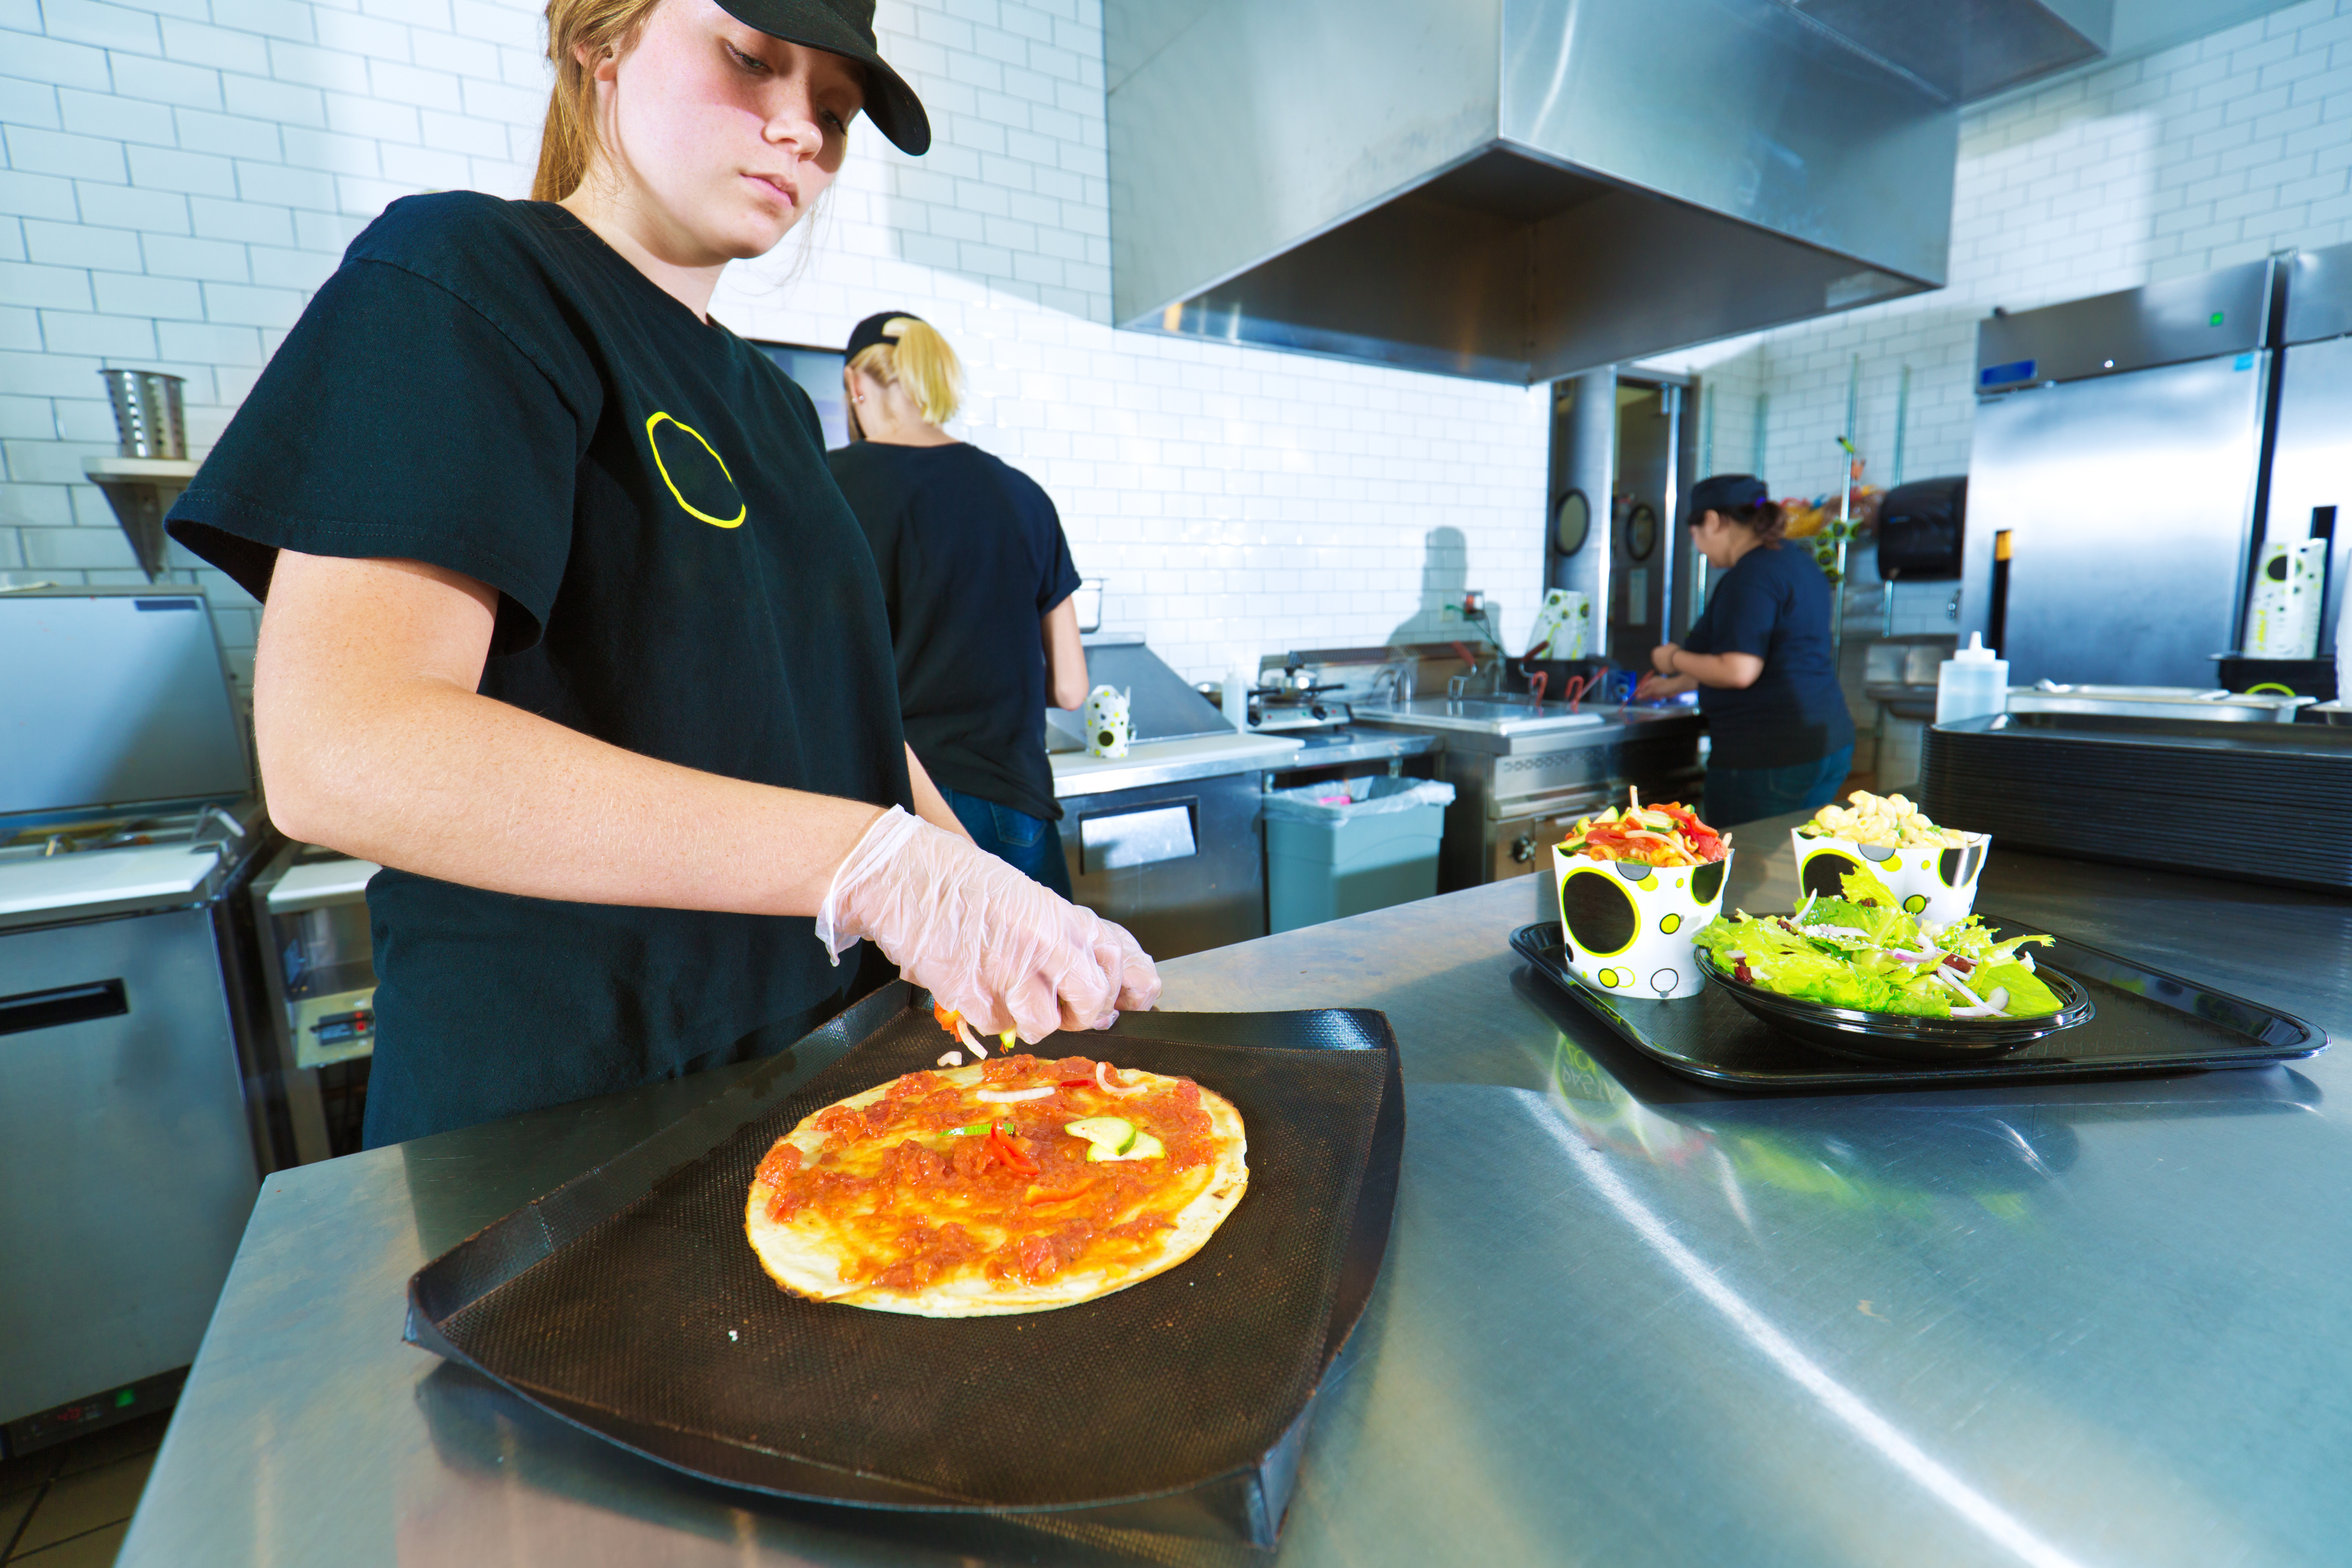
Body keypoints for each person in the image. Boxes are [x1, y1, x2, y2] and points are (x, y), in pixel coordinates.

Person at [161, 0, 1158, 1148]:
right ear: (600, 41)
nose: (802, 134)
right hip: (570, 1121)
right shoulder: (466, 278)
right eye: (751, 60)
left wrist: (973, 881)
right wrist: (876, 869)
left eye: (832, 111)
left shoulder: (778, 412)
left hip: (808, 1085)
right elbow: (344, 749)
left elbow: (848, 725)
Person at [826, 312, 1087, 896]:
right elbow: (1070, 687)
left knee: (915, 991)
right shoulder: (1024, 496)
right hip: (1014, 802)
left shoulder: (826, 484)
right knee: (1038, 982)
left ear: (855, 384)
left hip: (894, 809)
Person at [1637, 474, 1856, 826]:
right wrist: (1676, 684)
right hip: (1825, 742)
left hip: (1768, 757)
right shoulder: (1795, 562)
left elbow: (1739, 670)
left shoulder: (1751, 577)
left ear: (1712, 520)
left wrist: (1672, 658)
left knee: (1743, 869)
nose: (1698, 547)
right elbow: (1777, 655)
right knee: (1788, 859)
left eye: (1695, 534)